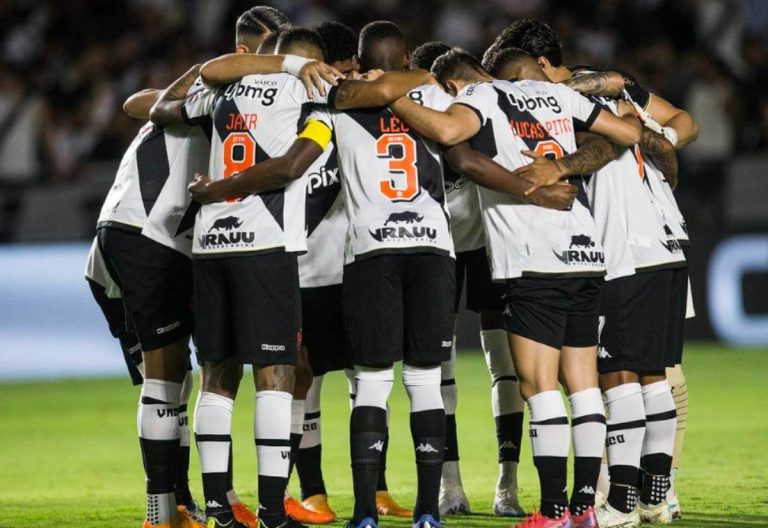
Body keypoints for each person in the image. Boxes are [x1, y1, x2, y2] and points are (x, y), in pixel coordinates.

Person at [152, 26, 434, 528]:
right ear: (314, 62)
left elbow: (174, 97)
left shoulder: (223, 89)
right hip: (266, 246)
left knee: (216, 378)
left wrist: (215, 190)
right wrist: (220, 187)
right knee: (276, 379)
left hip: (211, 247)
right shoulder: (314, 95)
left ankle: (219, 508)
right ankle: (271, 511)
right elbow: (289, 168)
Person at [387, 48, 642, 528]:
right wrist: (563, 165)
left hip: (533, 258)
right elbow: (627, 133)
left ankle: (550, 512)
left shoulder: (478, 97)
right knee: (583, 387)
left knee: (538, 386)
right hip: (585, 252)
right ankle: (584, 509)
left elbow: (447, 136)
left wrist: (390, 93)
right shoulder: (553, 94)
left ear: (457, 87)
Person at [490, 19, 698, 526]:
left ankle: (621, 502)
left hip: (625, 247)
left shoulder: (568, 99)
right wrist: (660, 144)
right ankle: (657, 494)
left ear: (536, 67)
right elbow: (679, 127)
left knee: (617, 374)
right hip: (668, 240)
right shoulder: (611, 88)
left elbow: (612, 143)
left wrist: (560, 167)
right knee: (655, 374)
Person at [412, 40, 526, 518]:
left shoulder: (490, 106)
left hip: (490, 244)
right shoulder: (428, 115)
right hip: (438, 247)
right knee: (441, 370)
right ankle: (449, 485)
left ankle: (508, 483)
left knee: (506, 365)